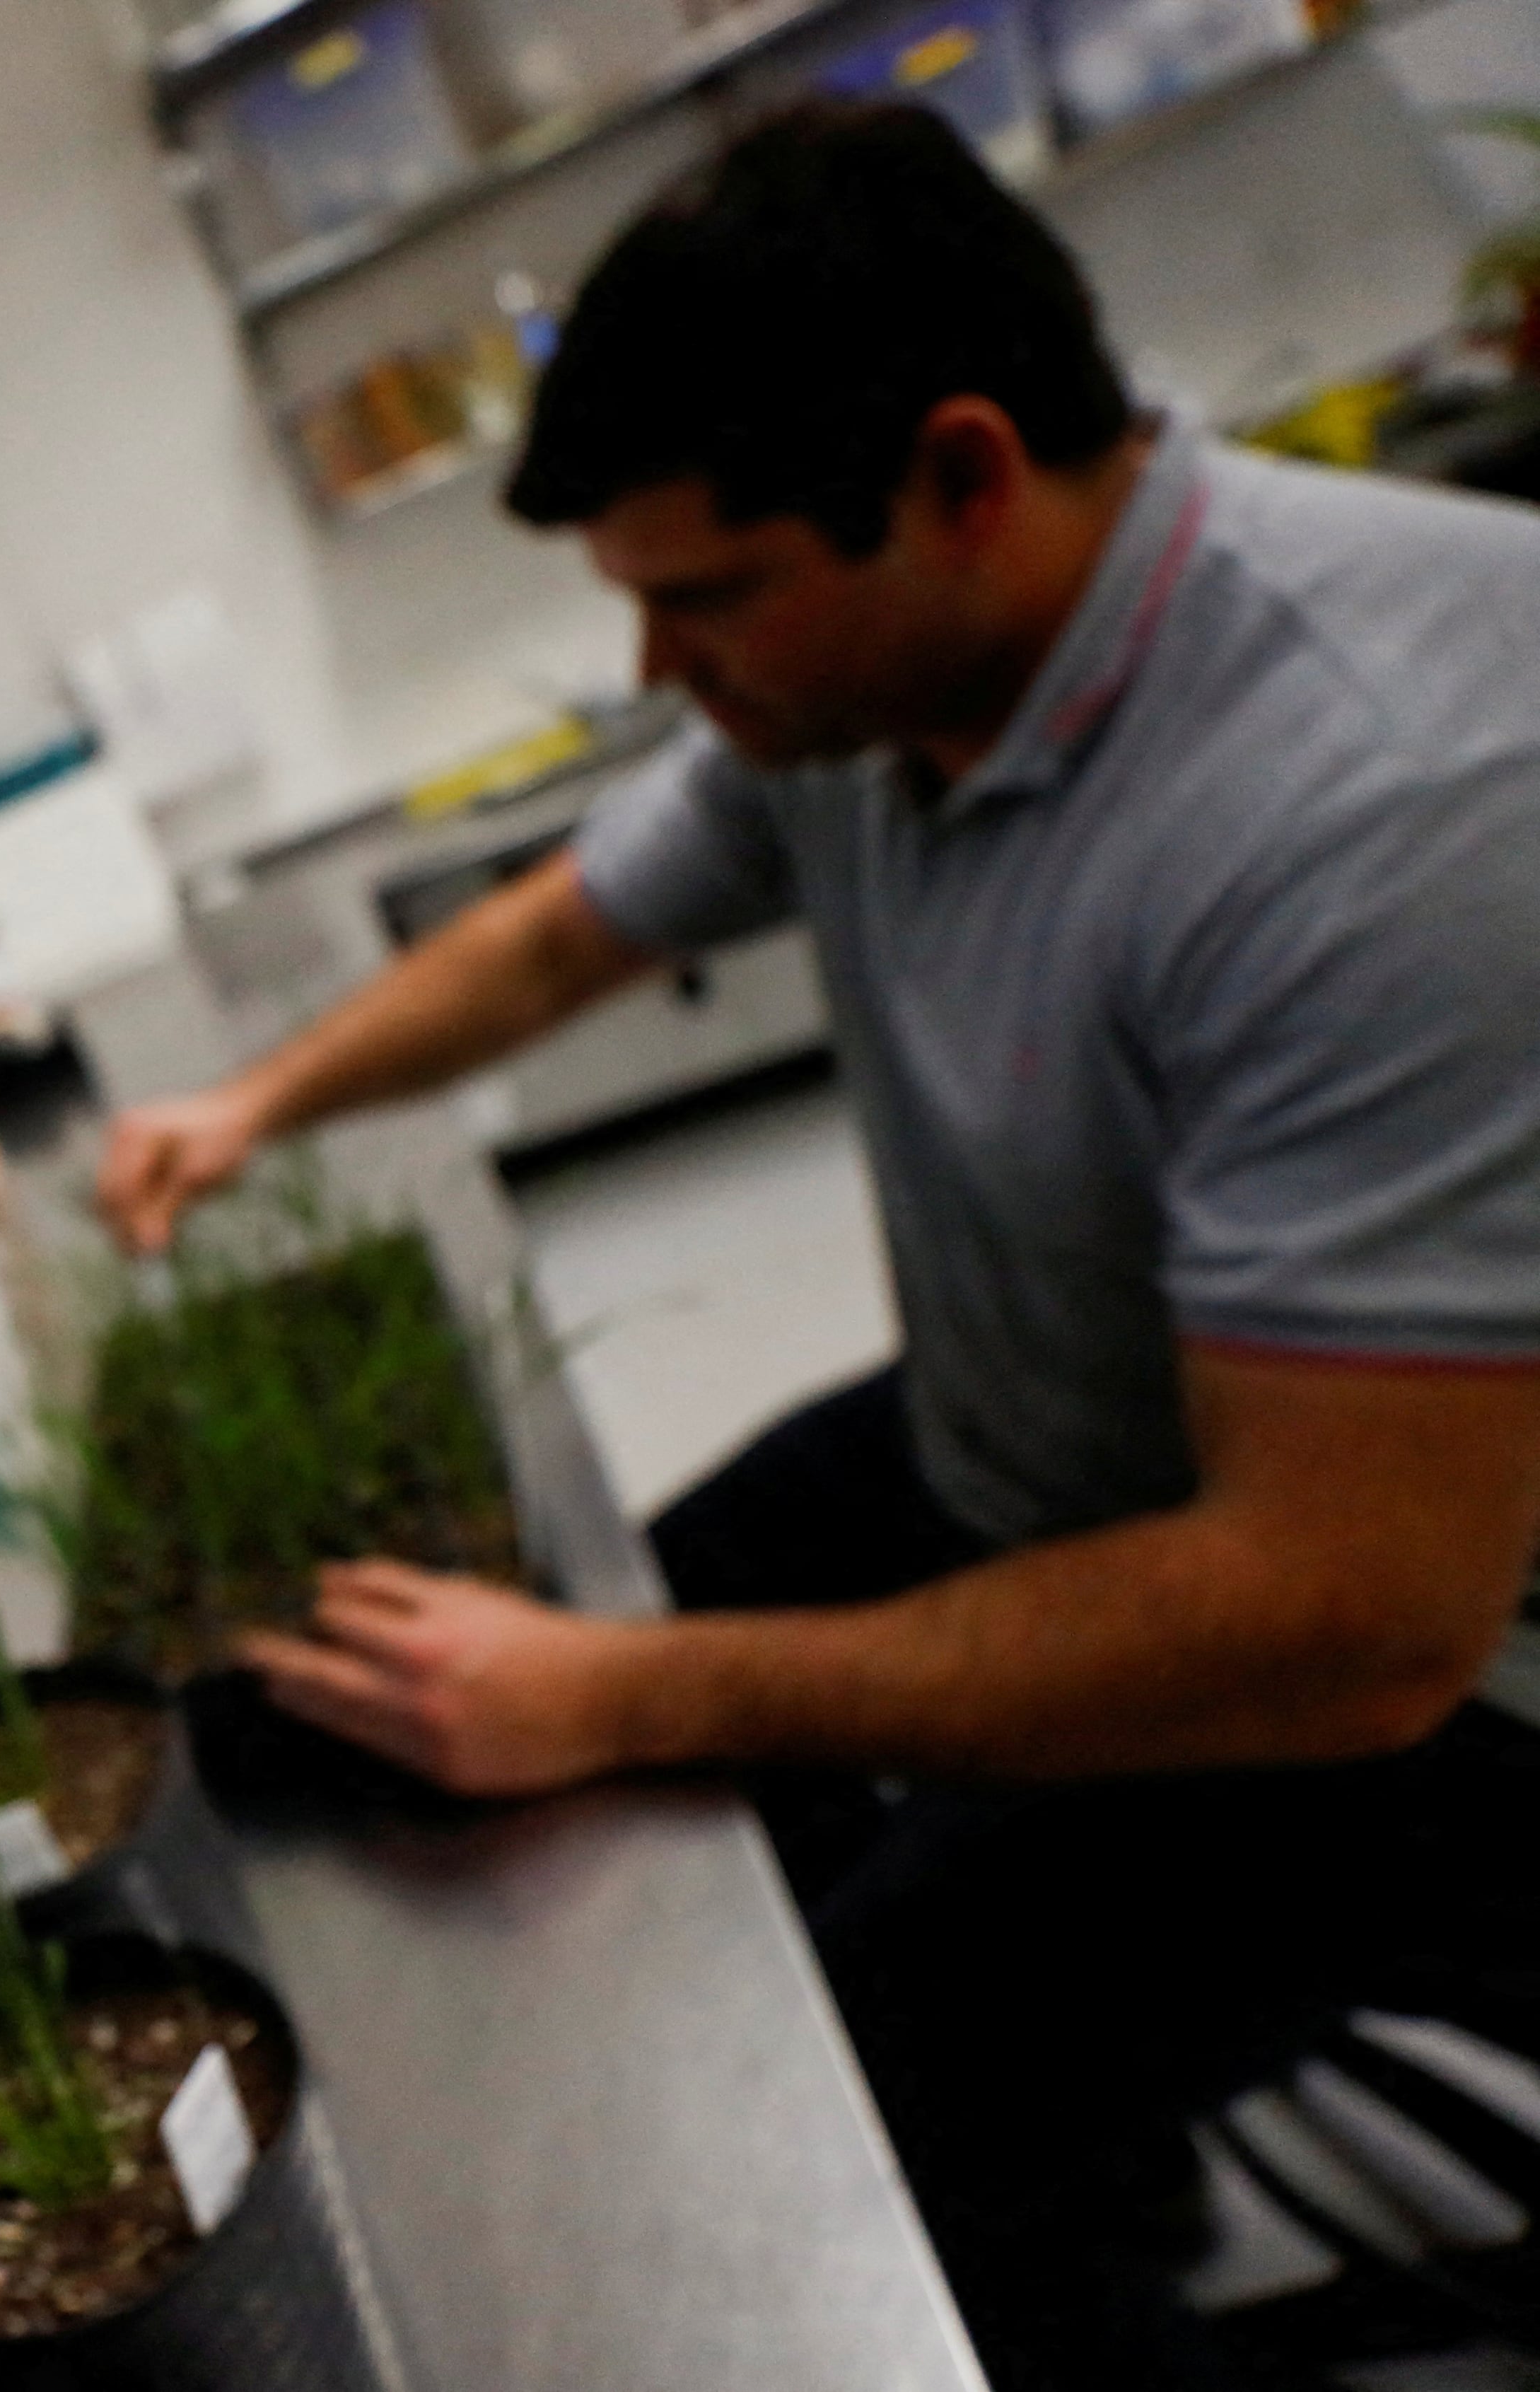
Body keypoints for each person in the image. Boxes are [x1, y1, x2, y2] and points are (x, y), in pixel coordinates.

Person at [94, 100, 1540, 2390]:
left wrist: (627, 1698)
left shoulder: (1394, 791)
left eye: (710, 593)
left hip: (1405, 1706)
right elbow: (565, 935)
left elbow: (1349, 1624)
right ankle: (1105, 2139)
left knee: (853, 2088)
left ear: (967, 474)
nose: (668, 669)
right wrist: (250, 1103)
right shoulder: (869, 693)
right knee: (572, 1663)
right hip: (1058, 1439)